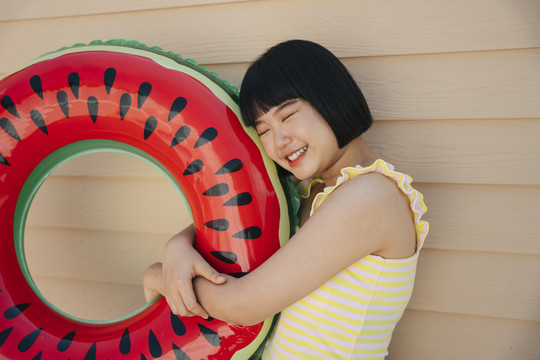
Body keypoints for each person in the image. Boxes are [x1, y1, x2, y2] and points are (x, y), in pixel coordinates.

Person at [143, 39, 429, 359]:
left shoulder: (371, 197)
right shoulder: (310, 192)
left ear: (331, 99)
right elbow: (226, 219)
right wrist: (178, 246)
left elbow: (245, 305)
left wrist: (160, 276)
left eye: (288, 115)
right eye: (263, 129)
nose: (278, 141)